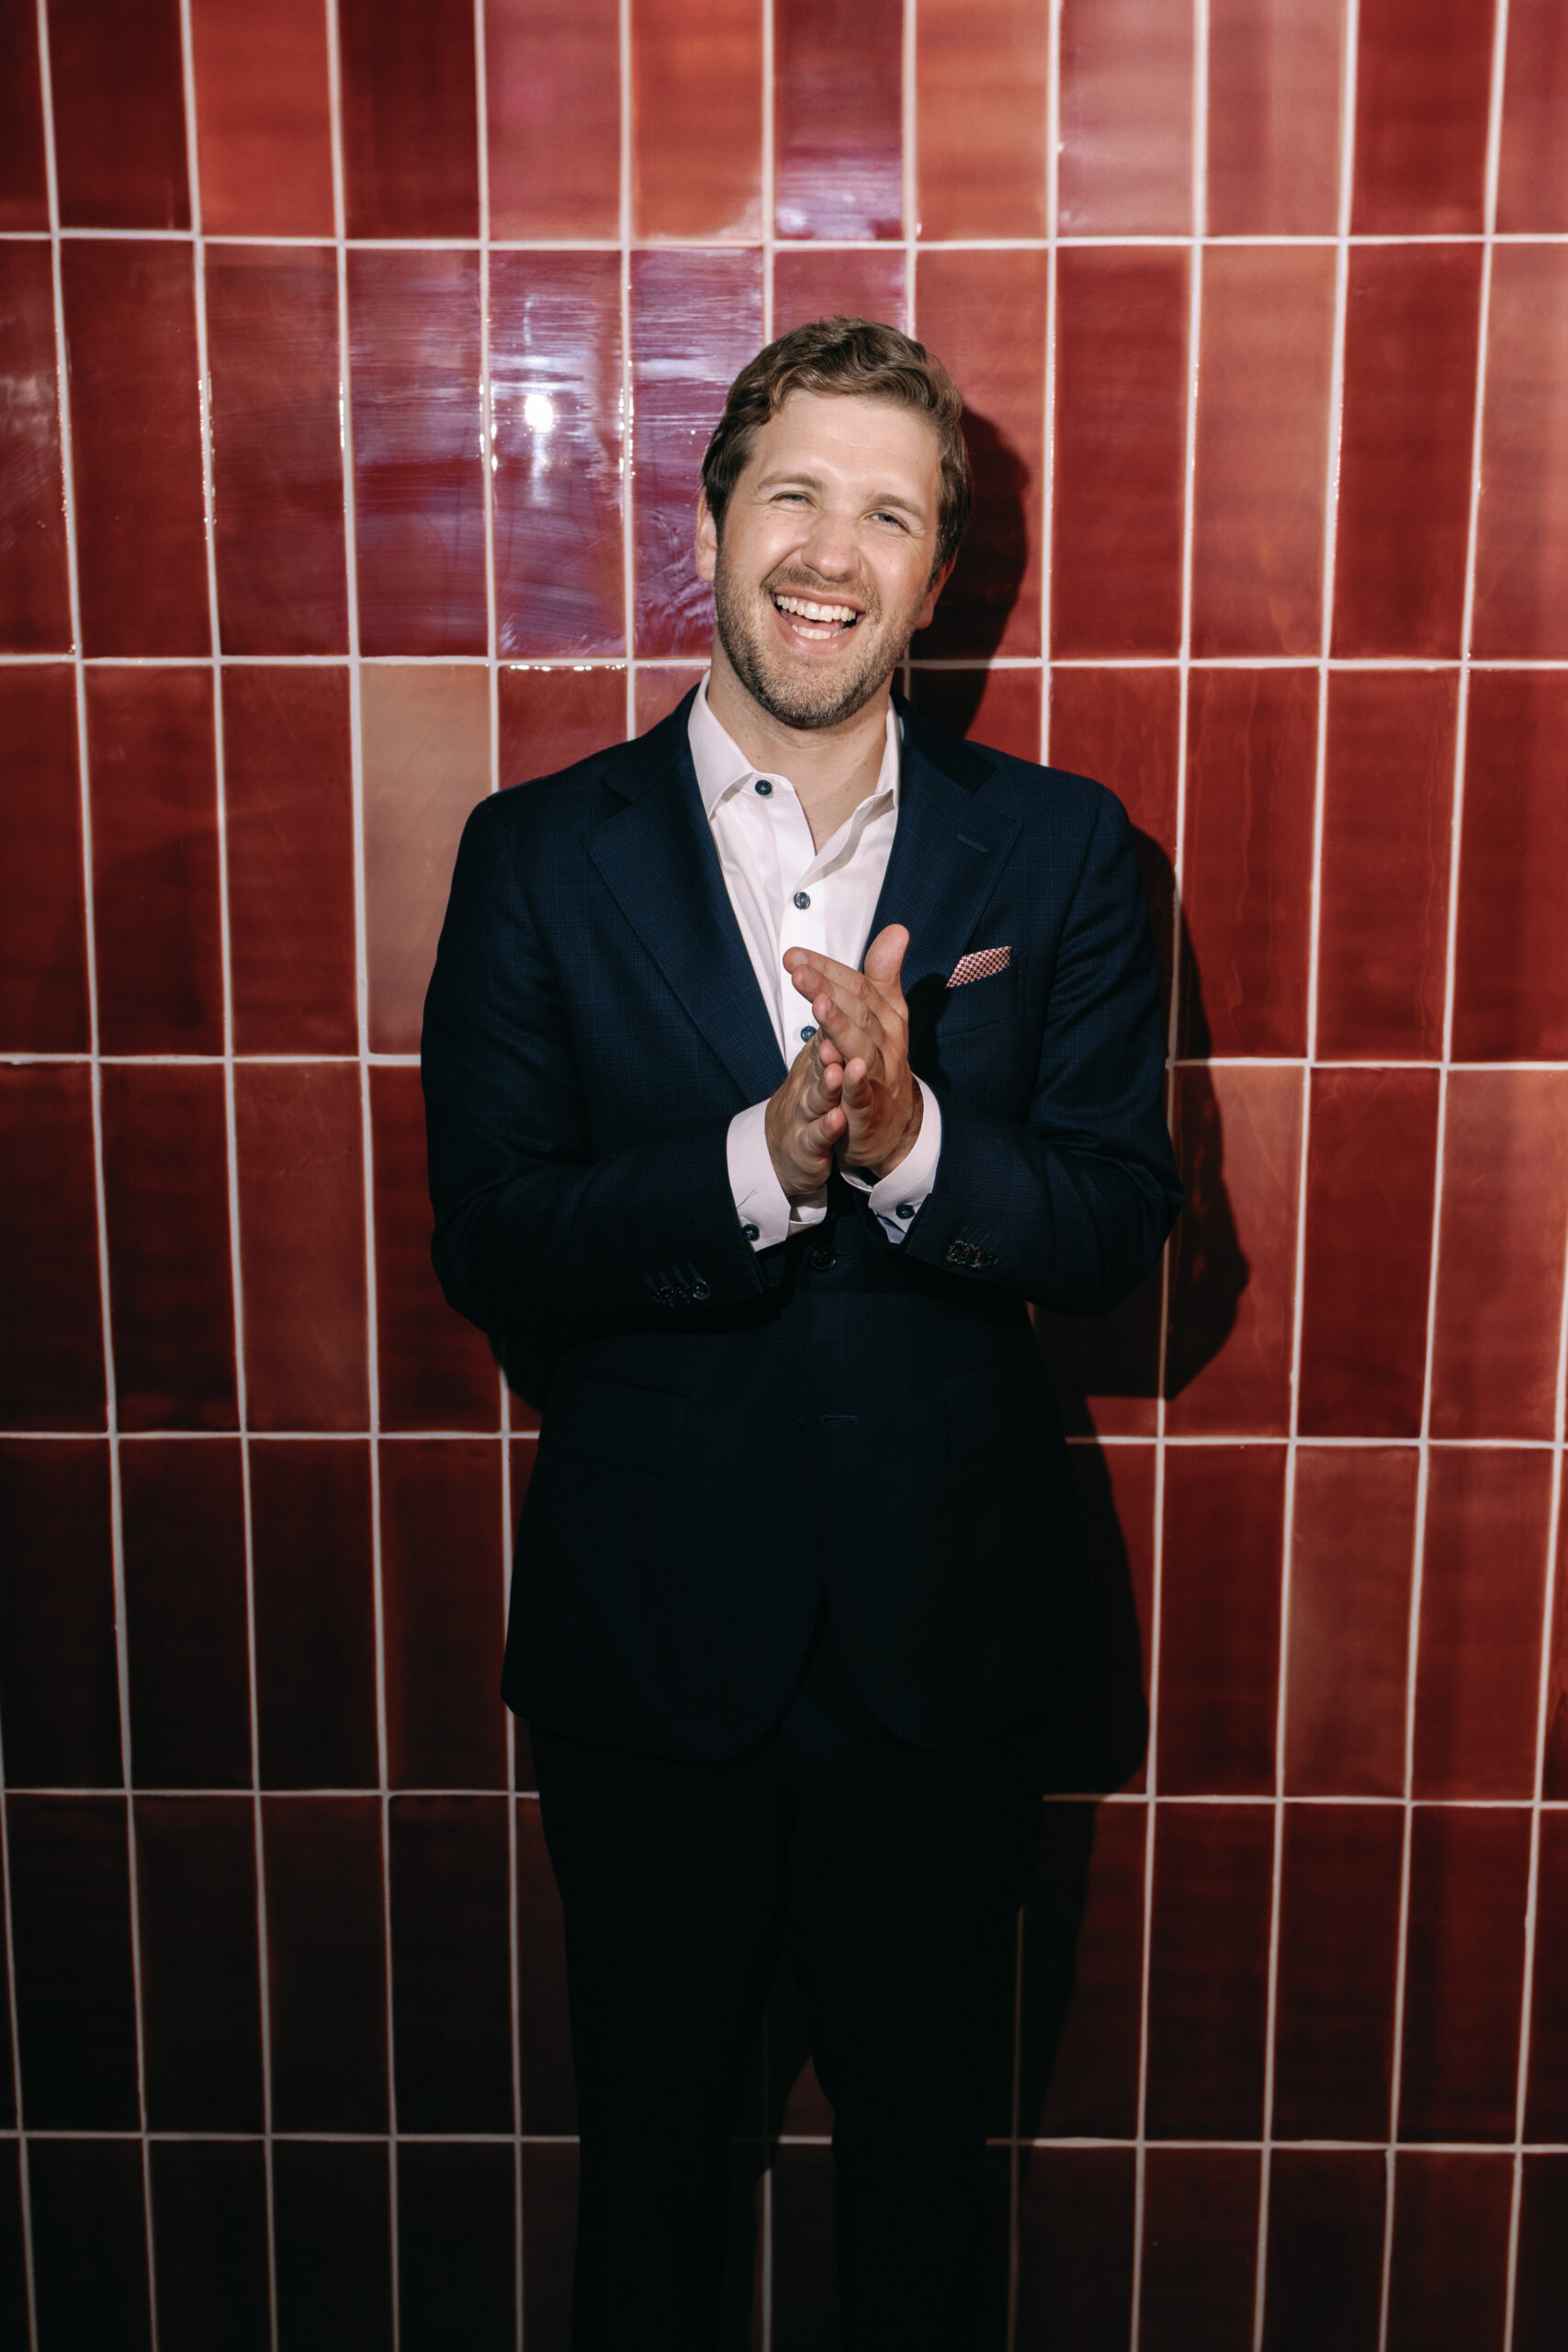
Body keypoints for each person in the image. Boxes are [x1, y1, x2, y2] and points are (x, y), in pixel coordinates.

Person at [421, 317, 1181, 2351]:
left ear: (938, 577)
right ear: (706, 519)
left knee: (927, 2207)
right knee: (651, 2195)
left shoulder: (1064, 852)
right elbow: (492, 1237)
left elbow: (1116, 1216)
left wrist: (917, 1133)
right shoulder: (532, 856)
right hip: (645, 1656)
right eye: (790, 493)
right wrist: (755, 1154)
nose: (828, 551)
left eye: (886, 512)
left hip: (949, 1657)